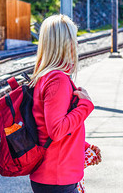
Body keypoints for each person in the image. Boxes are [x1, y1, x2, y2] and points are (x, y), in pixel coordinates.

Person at [29, 14, 101, 193]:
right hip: (57, 178)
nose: (76, 45)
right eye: (73, 39)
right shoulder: (57, 80)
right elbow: (57, 129)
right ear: (63, 43)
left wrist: (82, 146)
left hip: (53, 175)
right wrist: (86, 106)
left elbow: (46, 128)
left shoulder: (45, 76)